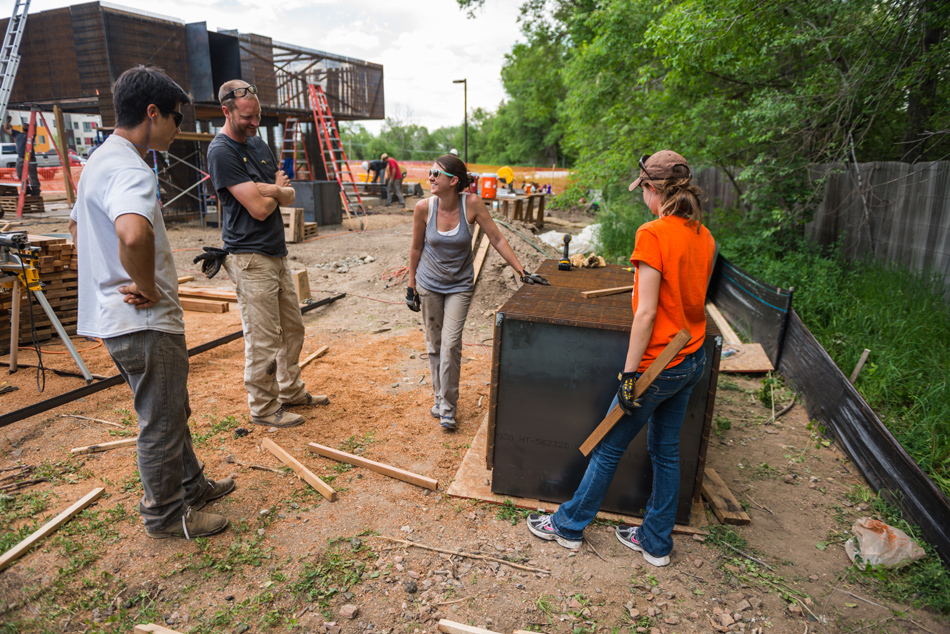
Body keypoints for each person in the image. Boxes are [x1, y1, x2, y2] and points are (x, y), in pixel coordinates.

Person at [525, 150, 715, 567]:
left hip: (658, 365)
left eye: (643, 189)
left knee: (609, 447)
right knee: (666, 452)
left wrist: (630, 375)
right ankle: (656, 541)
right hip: (691, 358)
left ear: (653, 190)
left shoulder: (653, 233)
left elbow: (646, 313)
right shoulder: (703, 235)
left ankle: (569, 525)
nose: (642, 198)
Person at [68, 65, 234, 540]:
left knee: (169, 408)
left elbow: (79, 230)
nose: (179, 128)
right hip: (144, 320)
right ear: (152, 112)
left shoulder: (99, 162)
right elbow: (132, 231)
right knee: (160, 421)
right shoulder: (129, 168)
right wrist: (145, 283)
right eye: (176, 118)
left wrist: (106, 277)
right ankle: (165, 515)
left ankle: (192, 485)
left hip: (117, 319)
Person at [207, 80, 327, 429]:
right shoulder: (221, 151)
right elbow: (260, 210)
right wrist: (276, 192)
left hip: (275, 252)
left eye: (258, 115)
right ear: (226, 111)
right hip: (247, 256)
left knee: (293, 328)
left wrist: (270, 189)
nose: (254, 122)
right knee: (262, 338)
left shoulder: (258, 144)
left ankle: (290, 391)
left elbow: (287, 196)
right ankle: (263, 407)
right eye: (247, 116)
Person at [407, 154, 548, 430]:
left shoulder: (471, 203)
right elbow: (415, 249)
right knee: (434, 345)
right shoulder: (423, 208)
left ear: (454, 181)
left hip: (459, 285)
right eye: (431, 172)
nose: (431, 177)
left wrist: (521, 270)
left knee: (450, 345)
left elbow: (497, 237)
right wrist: (411, 285)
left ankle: (447, 408)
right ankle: (438, 397)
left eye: (437, 173)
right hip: (428, 283)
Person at [3, 116, 40, 196]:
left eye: (27, 125)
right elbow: (6, 128)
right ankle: (26, 189)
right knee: (20, 174)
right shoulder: (17, 134)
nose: (25, 126)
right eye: (24, 125)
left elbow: (35, 126)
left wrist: (33, 122)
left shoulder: (31, 135)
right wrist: (8, 121)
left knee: (32, 175)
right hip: (20, 158)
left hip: (30, 158)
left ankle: (36, 191)